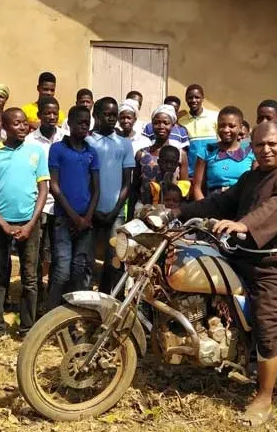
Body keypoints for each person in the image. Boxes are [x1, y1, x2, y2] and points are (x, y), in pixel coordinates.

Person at [174, 121, 277, 425]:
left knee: (267, 324)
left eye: (272, 144)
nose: (266, 149)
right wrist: (178, 212)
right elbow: (219, 201)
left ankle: (264, 397)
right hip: (244, 255)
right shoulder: (252, 177)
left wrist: (245, 224)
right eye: (260, 144)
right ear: (250, 145)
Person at [0, 108, 49, 344]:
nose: (23, 127)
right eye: (17, 124)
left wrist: (30, 224)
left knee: (30, 278)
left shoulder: (36, 152)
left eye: (25, 124)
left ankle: (27, 329)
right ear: (6, 127)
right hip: (0, 224)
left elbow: (43, 191)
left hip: (30, 223)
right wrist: (2, 224)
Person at [46, 106, 100, 309]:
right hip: (64, 219)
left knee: (80, 269)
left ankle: (75, 314)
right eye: (80, 122)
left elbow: (96, 189)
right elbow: (55, 186)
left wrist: (86, 219)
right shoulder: (58, 149)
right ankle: (49, 315)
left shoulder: (91, 152)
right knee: (62, 270)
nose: (84, 126)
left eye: (87, 122)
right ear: (69, 123)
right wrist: (74, 218)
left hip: (86, 222)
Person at [87, 97, 134, 294]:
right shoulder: (87, 141)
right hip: (89, 211)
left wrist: (115, 210)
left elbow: (127, 183)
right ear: (96, 115)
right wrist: (92, 209)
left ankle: (106, 299)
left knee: (113, 260)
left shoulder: (124, 144)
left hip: (115, 212)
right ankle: (85, 300)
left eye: (114, 115)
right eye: (106, 114)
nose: (111, 118)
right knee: (86, 259)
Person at [24, 97, 67, 309]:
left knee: (57, 253)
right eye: (47, 113)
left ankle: (54, 299)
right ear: (39, 115)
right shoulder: (30, 141)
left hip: (60, 204)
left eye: (55, 113)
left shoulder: (65, 138)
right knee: (38, 253)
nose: (51, 117)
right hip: (38, 204)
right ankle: (38, 299)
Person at [132, 105, 189, 212]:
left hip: (171, 212)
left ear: (173, 125)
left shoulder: (181, 155)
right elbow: (134, 188)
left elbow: (184, 189)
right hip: (144, 210)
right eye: (156, 123)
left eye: (166, 123)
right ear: (152, 125)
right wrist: (130, 214)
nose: (161, 126)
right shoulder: (142, 154)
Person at [191, 107, 255, 201]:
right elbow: (197, 188)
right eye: (222, 125)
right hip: (212, 204)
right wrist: (204, 210)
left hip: (241, 205)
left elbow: (256, 186)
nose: (226, 130)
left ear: (240, 128)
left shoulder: (250, 151)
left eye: (231, 126)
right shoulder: (206, 150)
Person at [178, 84, 218, 177]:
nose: (193, 100)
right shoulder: (181, 121)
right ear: (186, 99)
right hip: (191, 172)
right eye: (190, 98)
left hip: (211, 170)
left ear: (203, 98)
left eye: (197, 97)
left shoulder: (214, 117)